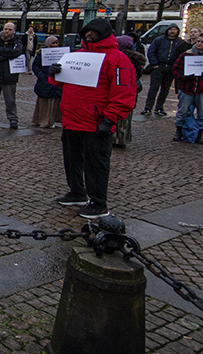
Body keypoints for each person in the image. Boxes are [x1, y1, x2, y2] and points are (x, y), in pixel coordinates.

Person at [49, 18, 136, 220]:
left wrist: (110, 118)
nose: (89, 35)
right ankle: (77, 192)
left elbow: (124, 92)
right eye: (87, 32)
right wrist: (54, 74)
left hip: (96, 122)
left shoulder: (118, 59)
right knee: (72, 160)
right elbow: (62, 83)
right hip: (72, 119)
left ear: (104, 34)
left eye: (93, 32)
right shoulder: (77, 55)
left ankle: (98, 203)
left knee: (96, 164)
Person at [171, 32, 203, 145]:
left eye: (202, 42)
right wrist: (184, 77)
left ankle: (200, 134)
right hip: (187, 88)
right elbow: (175, 69)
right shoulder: (187, 55)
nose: (199, 43)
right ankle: (178, 131)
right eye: (198, 41)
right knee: (182, 111)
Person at [111, 35, 146, 149]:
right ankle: (123, 138)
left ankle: (117, 139)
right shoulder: (136, 58)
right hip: (131, 91)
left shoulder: (122, 58)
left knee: (120, 117)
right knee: (127, 117)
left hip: (123, 90)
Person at [141, 24, 182, 117]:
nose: (172, 31)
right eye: (171, 29)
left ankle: (159, 107)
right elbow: (151, 51)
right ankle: (148, 107)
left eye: (175, 29)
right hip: (159, 67)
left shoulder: (179, 42)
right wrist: (155, 64)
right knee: (153, 88)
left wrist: (175, 66)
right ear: (167, 30)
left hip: (171, 68)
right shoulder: (159, 40)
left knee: (165, 89)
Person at [30, 35, 62, 129]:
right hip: (44, 81)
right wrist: (42, 77)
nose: (55, 45)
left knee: (55, 102)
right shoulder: (41, 53)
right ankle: (42, 120)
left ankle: (52, 120)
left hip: (56, 81)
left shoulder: (60, 53)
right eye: (53, 43)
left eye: (56, 43)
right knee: (44, 103)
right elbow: (35, 66)